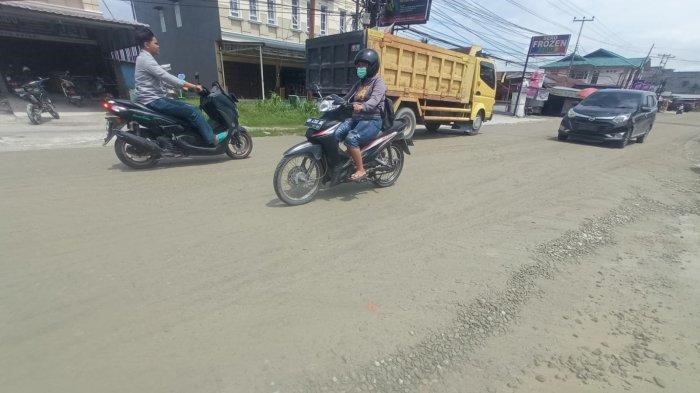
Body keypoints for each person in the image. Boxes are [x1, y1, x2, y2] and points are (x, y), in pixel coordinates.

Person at [134, 28, 217, 146]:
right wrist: (193, 86)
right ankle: (211, 140)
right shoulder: (146, 60)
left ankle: (191, 138)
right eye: (156, 43)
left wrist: (183, 88)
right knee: (193, 111)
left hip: (153, 99)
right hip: (155, 101)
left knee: (187, 109)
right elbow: (167, 77)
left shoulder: (143, 58)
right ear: (146, 44)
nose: (158, 46)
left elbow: (160, 80)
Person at [335, 48, 387, 181]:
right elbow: (347, 97)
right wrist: (335, 101)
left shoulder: (378, 82)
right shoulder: (360, 83)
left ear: (372, 66)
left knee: (351, 138)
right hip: (357, 118)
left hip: (372, 120)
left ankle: (360, 169)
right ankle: (345, 160)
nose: (360, 68)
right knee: (336, 133)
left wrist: (362, 106)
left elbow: (374, 100)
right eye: (358, 66)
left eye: (363, 65)